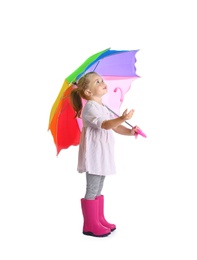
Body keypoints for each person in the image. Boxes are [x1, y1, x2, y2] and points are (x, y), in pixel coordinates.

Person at [70, 72, 140, 237]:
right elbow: (107, 125)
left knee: (99, 186)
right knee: (93, 187)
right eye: (97, 81)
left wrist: (130, 131)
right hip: (94, 154)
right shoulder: (90, 108)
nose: (103, 82)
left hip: (102, 153)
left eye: (102, 80)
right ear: (88, 92)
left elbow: (115, 127)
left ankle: (99, 219)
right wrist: (122, 118)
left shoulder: (102, 106)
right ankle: (89, 225)